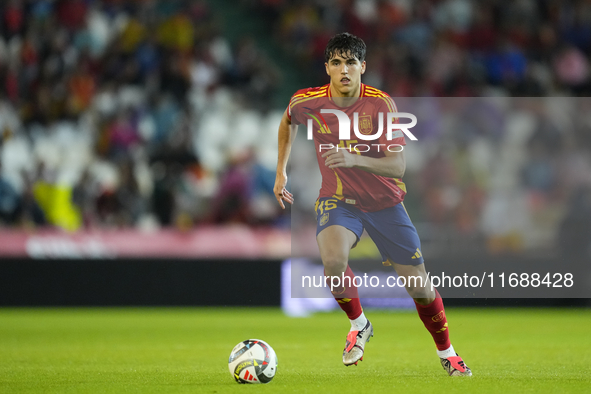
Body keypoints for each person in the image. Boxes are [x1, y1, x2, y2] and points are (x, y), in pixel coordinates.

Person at [273, 32, 471, 377]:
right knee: (333, 262)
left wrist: (353, 158)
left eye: (351, 62)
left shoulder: (380, 105)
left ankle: (448, 353)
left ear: (363, 67)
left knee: (420, 290)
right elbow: (288, 120)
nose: (344, 70)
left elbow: (398, 167)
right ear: (328, 68)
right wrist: (281, 172)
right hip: (338, 200)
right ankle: (359, 325)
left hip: (385, 203)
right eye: (336, 63)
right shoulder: (308, 101)